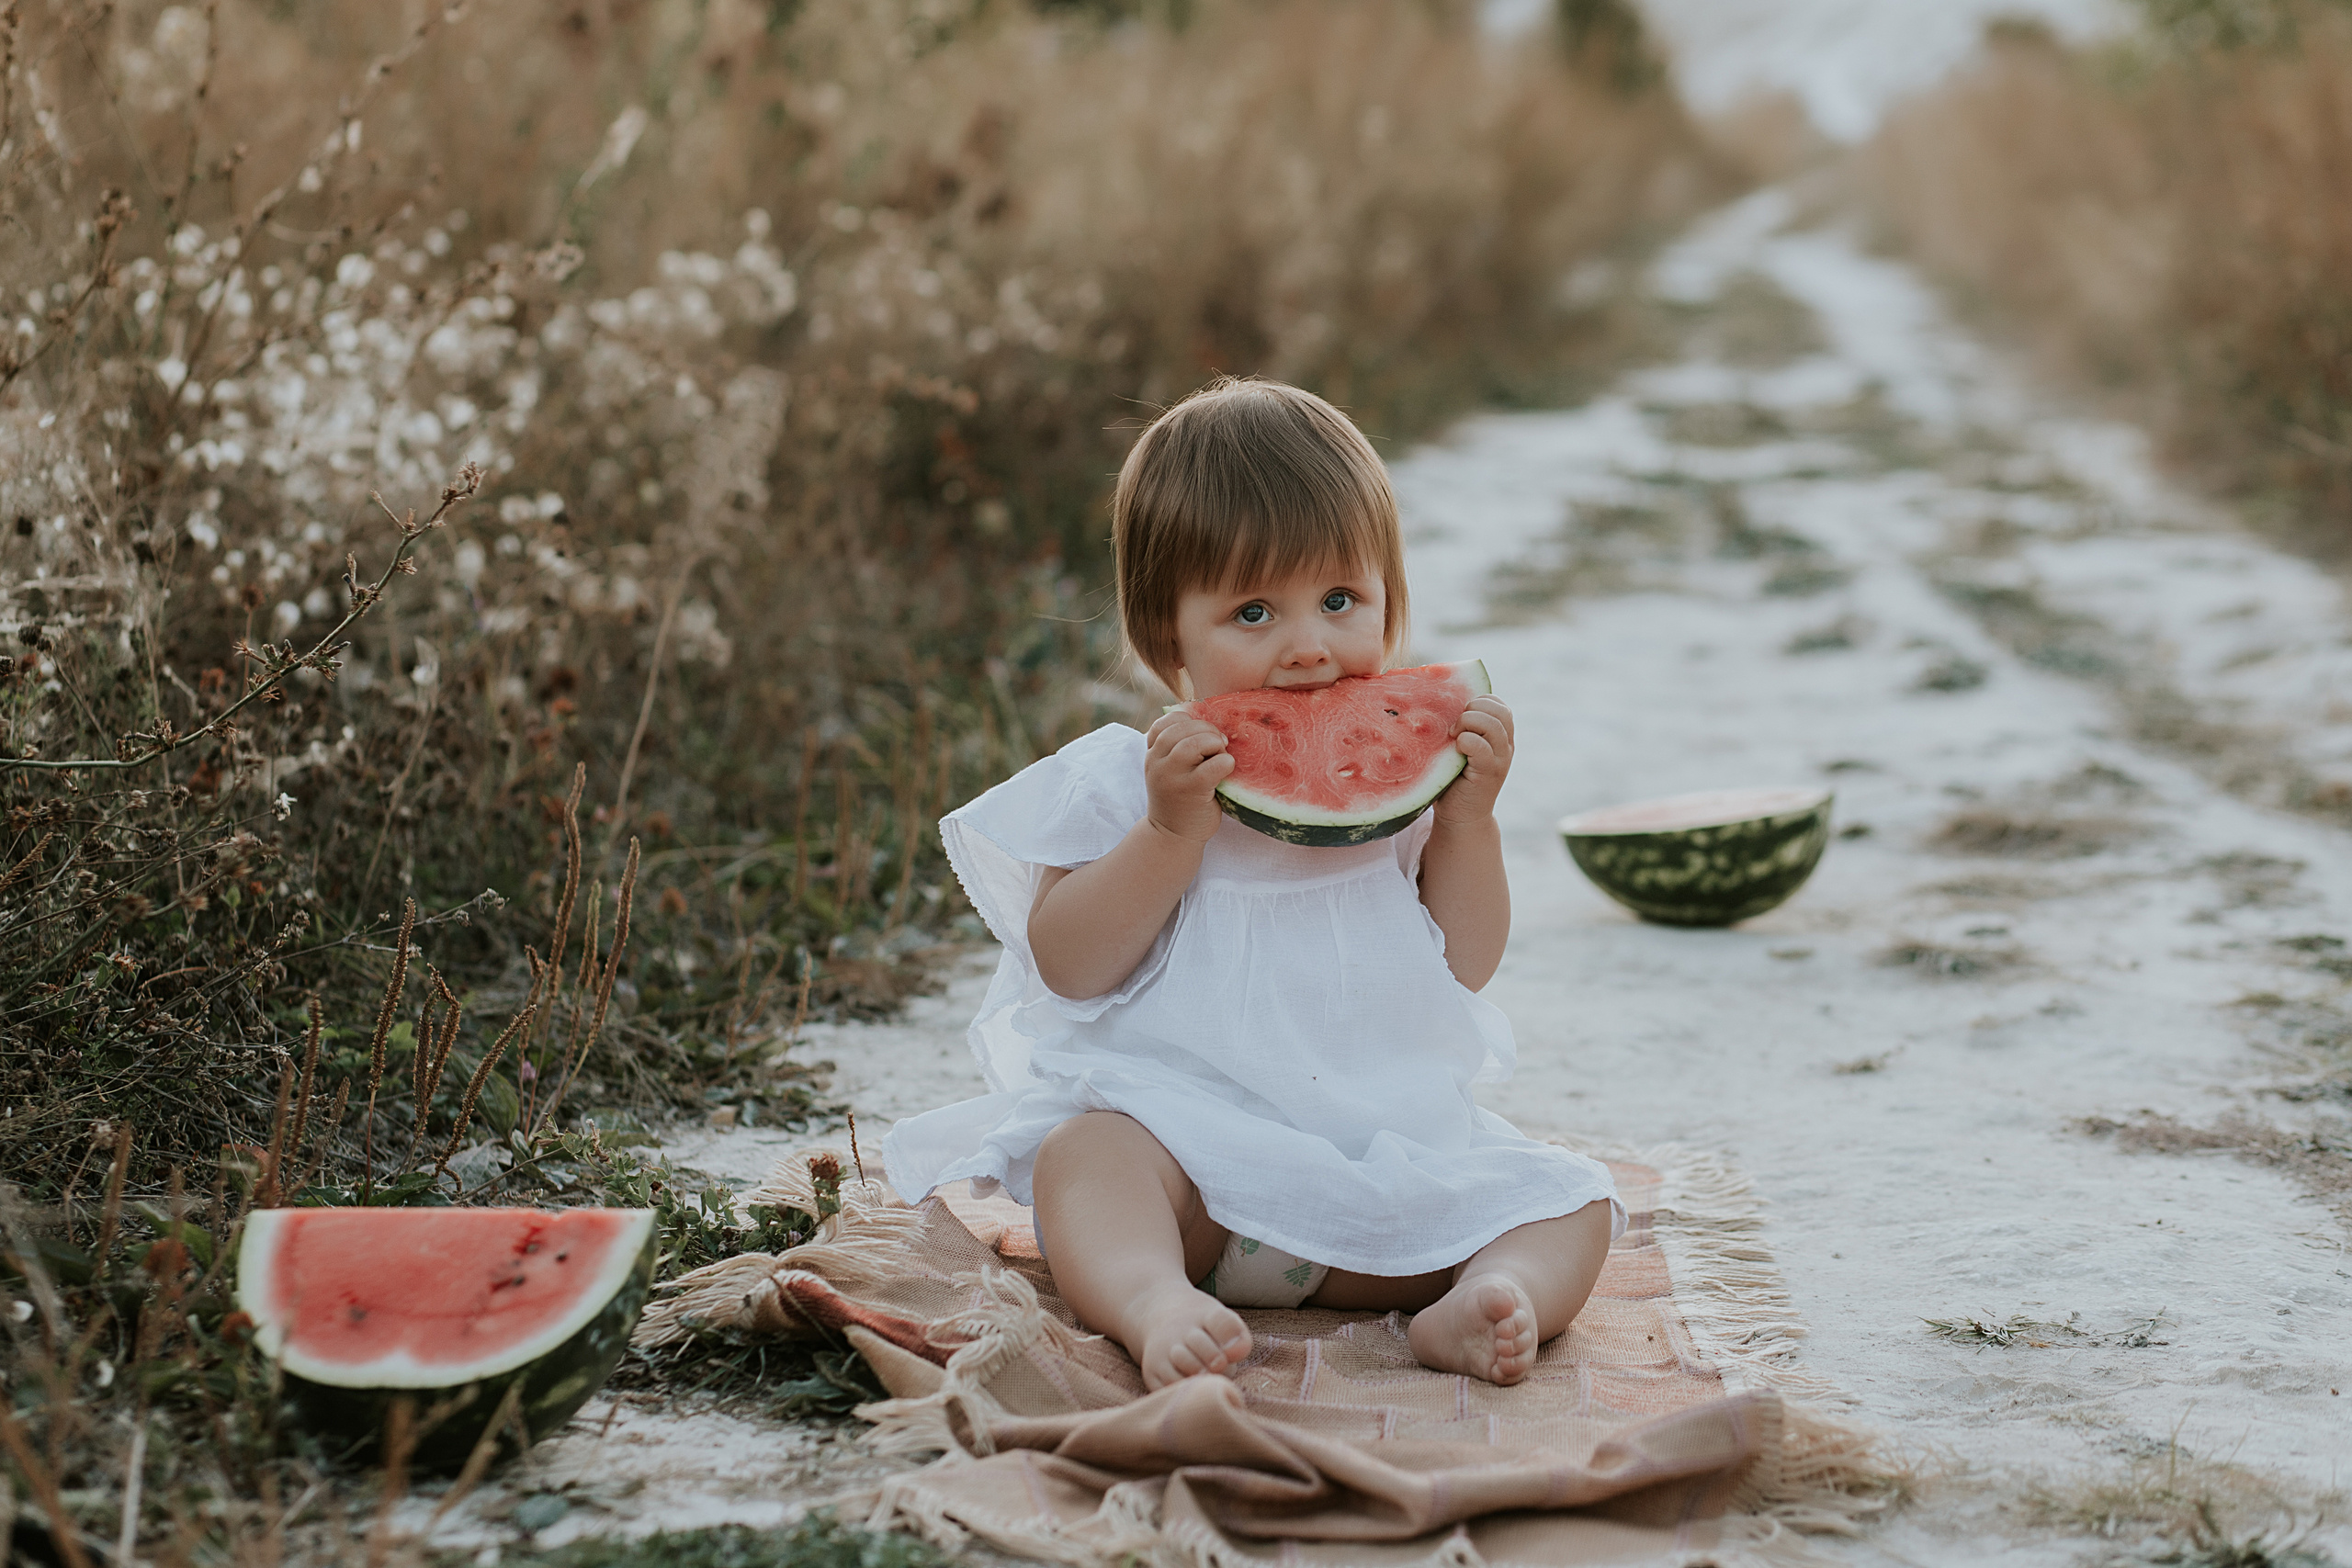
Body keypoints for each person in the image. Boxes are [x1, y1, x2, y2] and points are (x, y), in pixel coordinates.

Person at [881, 377, 1621, 1392]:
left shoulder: (1401, 788)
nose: (1308, 645)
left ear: (1390, 601)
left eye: (1340, 600)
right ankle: (1150, 1301)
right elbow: (1070, 967)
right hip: (1190, 1181)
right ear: (1165, 636)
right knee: (1084, 1158)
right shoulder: (1121, 781)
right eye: (1254, 611)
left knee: (1569, 1199)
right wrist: (1166, 832)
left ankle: (1487, 1303)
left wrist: (1467, 819)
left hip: (1372, 1167)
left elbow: (1467, 962)